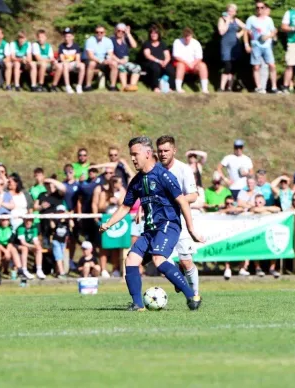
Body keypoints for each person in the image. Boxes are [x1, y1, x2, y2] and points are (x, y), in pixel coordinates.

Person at [99, 136, 202, 311]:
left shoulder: (164, 176)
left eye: (135, 154)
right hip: (150, 230)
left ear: (147, 154)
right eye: (131, 155)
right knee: (131, 259)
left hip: (168, 226)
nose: (132, 158)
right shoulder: (137, 181)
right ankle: (138, 304)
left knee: (158, 259)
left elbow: (183, 201)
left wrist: (191, 230)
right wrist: (109, 223)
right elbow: (125, 207)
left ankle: (192, 296)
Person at [156, 136, 202, 306]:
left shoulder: (184, 169)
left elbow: (194, 195)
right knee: (159, 259)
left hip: (179, 219)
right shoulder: (154, 170)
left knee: (186, 260)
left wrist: (176, 199)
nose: (162, 154)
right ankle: (179, 278)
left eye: (166, 150)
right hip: (159, 222)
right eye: (160, 151)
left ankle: (195, 295)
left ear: (174, 150)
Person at [244, 1, 278, 93]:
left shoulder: (268, 20)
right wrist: (246, 44)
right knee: (256, 66)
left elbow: (273, 31)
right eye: (257, 8)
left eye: (261, 7)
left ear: (264, 8)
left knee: (272, 65)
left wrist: (267, 37)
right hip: (256, 45)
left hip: (267, 46)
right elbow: (246, 32)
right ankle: (259, 87)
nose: (259, 9)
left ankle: (274, 87)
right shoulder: (251, 19)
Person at [218, 4, 246, 92]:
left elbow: (247, 27)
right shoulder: (222, 19)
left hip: (235, 46)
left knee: (233, 66)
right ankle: (222, 87)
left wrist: (239, 34)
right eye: (229, 10)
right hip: (226, 45)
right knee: (227, 65)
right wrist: (227, 21)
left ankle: (229, 87)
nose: (231, 12)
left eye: (233, 11)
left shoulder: (236, 20)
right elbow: (221, 32)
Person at [172, 28, 209, 94]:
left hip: (193, 64)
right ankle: (178, 88)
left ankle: (205, 89)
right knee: (181, 65)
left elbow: (199, 57)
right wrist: (187, 63)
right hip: (181, 62)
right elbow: (176, 56)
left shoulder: (196, 43)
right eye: (185, 36)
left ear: (191, 35)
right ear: (183, 36)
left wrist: (193, 63)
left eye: (189, 36)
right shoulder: (177, 42)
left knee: (203, 65)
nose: (187, 38)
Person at [0, 218, 23, 285]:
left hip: (8, 246)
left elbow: (11, 242)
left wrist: (7, 251)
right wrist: (6, 252)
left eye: (6, 220)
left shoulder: (12, 228)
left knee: (13, 249)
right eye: (3, 220)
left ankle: (20, 272)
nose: (5, 222)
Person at [142, 26, 175, 93]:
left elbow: (167, 56)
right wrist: (159, 61)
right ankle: (155, 87)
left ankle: (171, 88)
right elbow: (147, 55)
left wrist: (165, 62)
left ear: (158, 34)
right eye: (152, 33)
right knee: (155, 68)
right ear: (150, 34)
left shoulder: (162, 43)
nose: (153, 35)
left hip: (163, 62)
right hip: (151, 62)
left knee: (171, 69)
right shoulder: (147, 43)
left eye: (155, 33)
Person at [84, 25, 117, 91]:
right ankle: (88, 85)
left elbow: (110, 54)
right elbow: (90, 56)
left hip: (103, 60)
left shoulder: (108, 41)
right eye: (97, 32)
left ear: (104, 33)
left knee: (114, 63)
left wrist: (108, 60)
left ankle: (112, 86)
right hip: (91, 60)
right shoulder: (90, 40)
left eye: (101, 32)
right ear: (95, 33)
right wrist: (101, 61)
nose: (99, 34)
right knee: (92, 64)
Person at [110, 23, 140, 92]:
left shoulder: (126, 40)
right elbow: (110, 53)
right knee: (122, 67)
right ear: (115, 30)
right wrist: (119, 60)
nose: (120, 33)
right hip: (115, 62)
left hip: (125, 62)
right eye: (119, 31)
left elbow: (134, 45)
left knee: (137, 67)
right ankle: (124, 87)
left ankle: (132, 86)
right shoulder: (111, 40)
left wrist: (128, 34)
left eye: (123, 31)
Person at [56, 28, 85, 94]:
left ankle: (79, 86)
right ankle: (67, 86)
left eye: (69, 36)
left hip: (73, 63)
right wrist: (66, 62)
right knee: (66, 65)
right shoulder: (61, 46)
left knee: (82, 65)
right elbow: (62, 58)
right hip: (65, 63)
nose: (67, 38)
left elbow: (77, 57)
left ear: (72, 37)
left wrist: (78, 62)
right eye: (66, 36)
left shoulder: (76, 46)